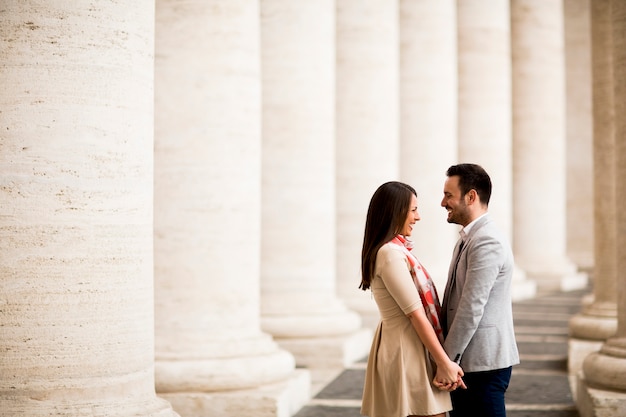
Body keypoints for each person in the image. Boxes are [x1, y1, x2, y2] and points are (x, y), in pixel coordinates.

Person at [360, 181, 465, 417]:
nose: (417, 217)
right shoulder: (389, 253)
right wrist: (444, 363)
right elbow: (416, 314)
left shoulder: (395, 251)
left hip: (407, 346)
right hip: (405, 351)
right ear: (395, 212)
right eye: (413, 210)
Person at [438, 163, 520, 417]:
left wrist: (446, 360)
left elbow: (471, 307)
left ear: (471, 196)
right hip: (469, 363)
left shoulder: (487, 240)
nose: (443, 202)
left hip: (482, 364)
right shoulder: (469, 238)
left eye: (448, 195)